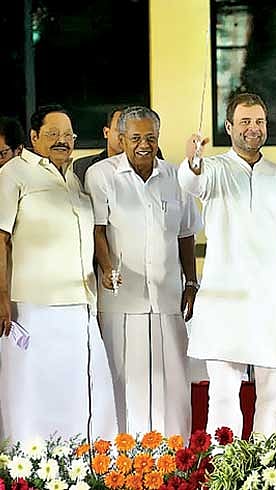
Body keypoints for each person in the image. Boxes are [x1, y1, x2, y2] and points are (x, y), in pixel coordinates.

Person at [179, 92, 276, 437]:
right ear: (229, 127)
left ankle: (272, 468)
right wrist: (193, 160)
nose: (253, 129)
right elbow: (192, 181)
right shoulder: (214, 169)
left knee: (275, 396)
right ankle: (225, 468)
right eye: (245, 122)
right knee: (223, 394)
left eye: (259, 122)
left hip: (270, 299)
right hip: (226, 299)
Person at [0, 105, 117, 441]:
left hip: (80, 305)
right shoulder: (14, 175)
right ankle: (28, 468)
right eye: (53, 134)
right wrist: (2, 296)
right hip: (33, 307)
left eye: (68, 135)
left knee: (82, 391)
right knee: (33, 393)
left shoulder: (74, 178)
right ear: (34, 137)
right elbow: (1, 238)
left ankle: (82, 465)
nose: (63, 141)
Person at [85, 106, 201, 438]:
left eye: (150, 137)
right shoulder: (101, 175)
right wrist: (107, 268)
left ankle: (176, 461)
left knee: (174, 385)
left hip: (168, 300)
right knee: (123, 384)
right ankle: (125, 465)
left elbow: (186, 234)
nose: (143, 145)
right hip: (122, 300)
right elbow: (97, 230)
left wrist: (190, 283)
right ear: (121, 138)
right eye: (135, 138)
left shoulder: (176, 177)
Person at [73, 107, 124, 186]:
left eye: (130, 131)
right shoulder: (81, 167)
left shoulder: (145, 169)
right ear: (106, 132)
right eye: (119, 130)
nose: (124, 136)